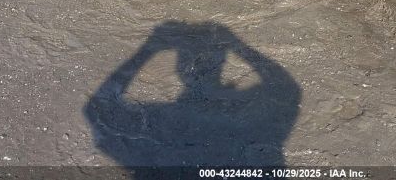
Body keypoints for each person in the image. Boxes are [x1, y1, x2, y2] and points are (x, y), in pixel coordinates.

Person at [85, 21, 301, 171]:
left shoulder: (162, 116)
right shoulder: (258, 123)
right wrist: (237, 45)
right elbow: (289, 89)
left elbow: (97, 108)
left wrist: (149, 48)